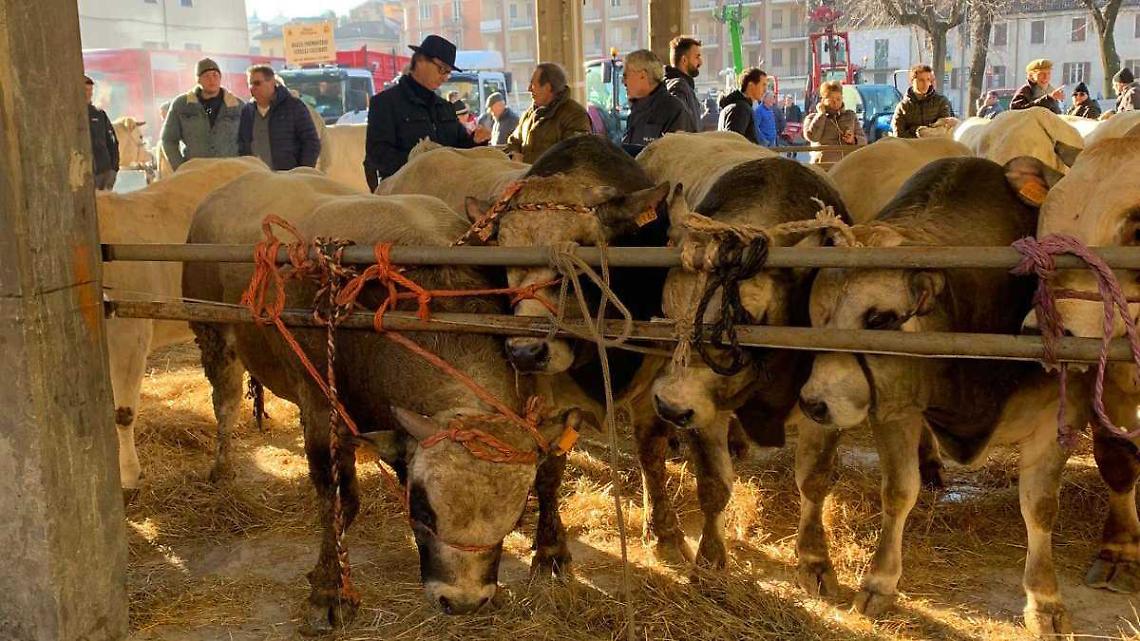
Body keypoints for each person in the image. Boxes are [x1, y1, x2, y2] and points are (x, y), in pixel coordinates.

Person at [365, 35, 490, 190]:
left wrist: (475, 141)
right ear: (420, 60)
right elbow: (378, 154)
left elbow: (460, 147)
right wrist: (423, 165)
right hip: (405, 193)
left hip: (448, 191)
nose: (445, 77)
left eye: (448, 72)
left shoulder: (445, 107)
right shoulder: (385, 103)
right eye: (442, 69)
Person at [160, 57, 244, 172]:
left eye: (215, 75)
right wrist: (180, 168)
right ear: (198, 80)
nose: (212, 80)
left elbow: (248, 140)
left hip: (229, 172)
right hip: (196, 174)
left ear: (220, 78)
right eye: (206, 76)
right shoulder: (182, 105)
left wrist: (242, 167)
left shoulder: (237, 106)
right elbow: (168, 139)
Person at [238, 65, 321, 171]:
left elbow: (311, 142)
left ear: (272, 82)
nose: (253, 88)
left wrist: (302, 171)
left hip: (290, 177)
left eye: (257, 83)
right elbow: (243, 144)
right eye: (250, 84)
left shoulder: (294, 106)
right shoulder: (247, 111)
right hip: (259, 178)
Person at [504, 62, 592, 163]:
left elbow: (572, 154)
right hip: (525, 176)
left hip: (556, 178)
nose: (529, 89)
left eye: (533, 84)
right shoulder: (529, 115)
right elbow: (514, 141)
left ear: (547, 87)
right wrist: (513, 155)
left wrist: (525, 160)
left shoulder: (575, 116)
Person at [622, 49, 696, 150]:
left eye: (626, 75)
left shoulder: (674, 111)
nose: (623, 82)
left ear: (642, 75)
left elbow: (679, 157)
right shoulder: (636, 113)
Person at [803, 80, 866, 165]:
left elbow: (863, 140)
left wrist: (853, 139)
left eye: (838, 99)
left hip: (847, 166)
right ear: (824, 100)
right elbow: (813, 137)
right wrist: (821, 115)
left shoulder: (850, 116)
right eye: (831, 100)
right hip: (824, 166)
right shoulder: (811, 118)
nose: (835, 102)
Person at [891, 64, 954, 138]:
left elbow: (947, 129)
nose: (925, 84)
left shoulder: (941, 102)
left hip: (936, 147)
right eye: (921, 80)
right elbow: (898, 134)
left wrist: (930, 132)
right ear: (912, 82)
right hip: (911, 147)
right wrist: (917, 132)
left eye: (928, 80)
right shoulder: (903, 107)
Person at [85, 75, 119, 191]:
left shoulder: (99, 114)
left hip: (104, 172)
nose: (89, 93)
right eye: (85, 90)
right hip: (84, 175)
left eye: (90, 90)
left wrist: (114, 168)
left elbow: (113, 142)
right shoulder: (70, 116)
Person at [717, 67, 766, 144]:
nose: (765, 89)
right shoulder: (741, 109)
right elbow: (734, 143)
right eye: (763, 85)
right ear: (751, 85)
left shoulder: (739, 106)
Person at [663, 36, 703, 131]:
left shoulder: (677, 86)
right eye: (697, 57)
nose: (701, 62)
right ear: (684, 60)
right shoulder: (679, 87)